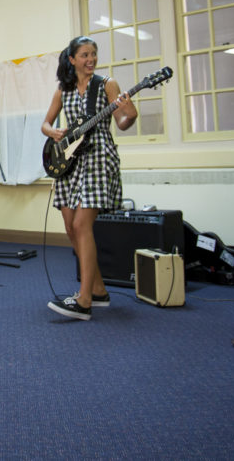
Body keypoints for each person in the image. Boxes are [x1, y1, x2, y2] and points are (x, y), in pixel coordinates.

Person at [41, 36, 137, 321]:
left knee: (83, 224)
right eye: (84, 55)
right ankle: (98, 290)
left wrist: (128, 113)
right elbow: (45, 124)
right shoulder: (63, 90)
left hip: (98, 158)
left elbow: (122, 122)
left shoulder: (107, 85)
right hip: (70, 160)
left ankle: (83, 301)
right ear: (72, 59)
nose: (90, 59)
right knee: (71, 226)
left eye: (93, 54)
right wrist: (54, 132)